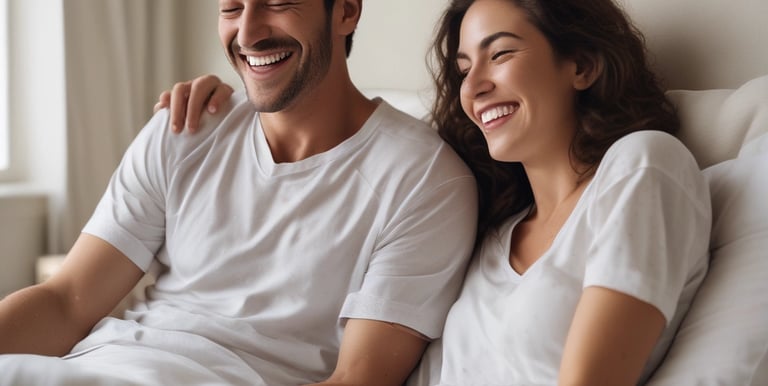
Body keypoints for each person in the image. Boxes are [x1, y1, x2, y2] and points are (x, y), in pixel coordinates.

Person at [169, 0, 712, 384]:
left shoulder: (643, 165)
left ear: (582, 64)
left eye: (499, 55)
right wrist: (235, 105)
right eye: (463, 68)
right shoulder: (492, 230)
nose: (473, 88)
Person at [0, 1, 478, 385]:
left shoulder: (424, 180)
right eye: (231, 8)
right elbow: (65, 302)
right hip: (89, 366)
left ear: (346, 11)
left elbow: (358, 378)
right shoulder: (185, 128)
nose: (248, 33)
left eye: (276, 3)